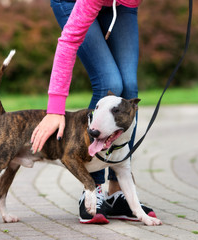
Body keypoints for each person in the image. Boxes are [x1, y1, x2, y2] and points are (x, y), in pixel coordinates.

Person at [31, 0, 157, 224]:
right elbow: (69, 41)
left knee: (128, 88)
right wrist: (55, 109)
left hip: (121, 5)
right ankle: (93, 188)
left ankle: (118, 193)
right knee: (109, 81)